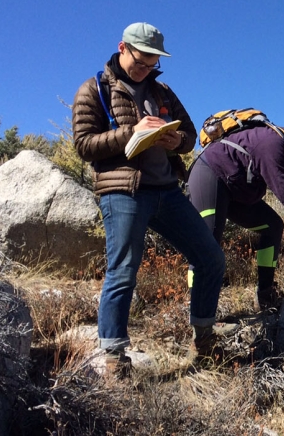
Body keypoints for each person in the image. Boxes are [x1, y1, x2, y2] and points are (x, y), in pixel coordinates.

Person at [72, 22, 227, 374]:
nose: (146, 69)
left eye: (153, 63)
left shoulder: (163, 92)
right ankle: (114, 357)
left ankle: (203, 339)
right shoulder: (94, 89)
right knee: (123, 270)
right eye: (141, 61)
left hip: (167, 191)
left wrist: (178, 142)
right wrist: (131, 132)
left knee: (210, 258)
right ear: (122, 48)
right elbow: (83, 144)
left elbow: (190, 135)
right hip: (124, 192)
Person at [186, 111, 284, 311]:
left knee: (273, 226)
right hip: (210, 176)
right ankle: (199, 315)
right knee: (207, 245)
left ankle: (264, 295)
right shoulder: (273, 144)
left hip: (235, 191)